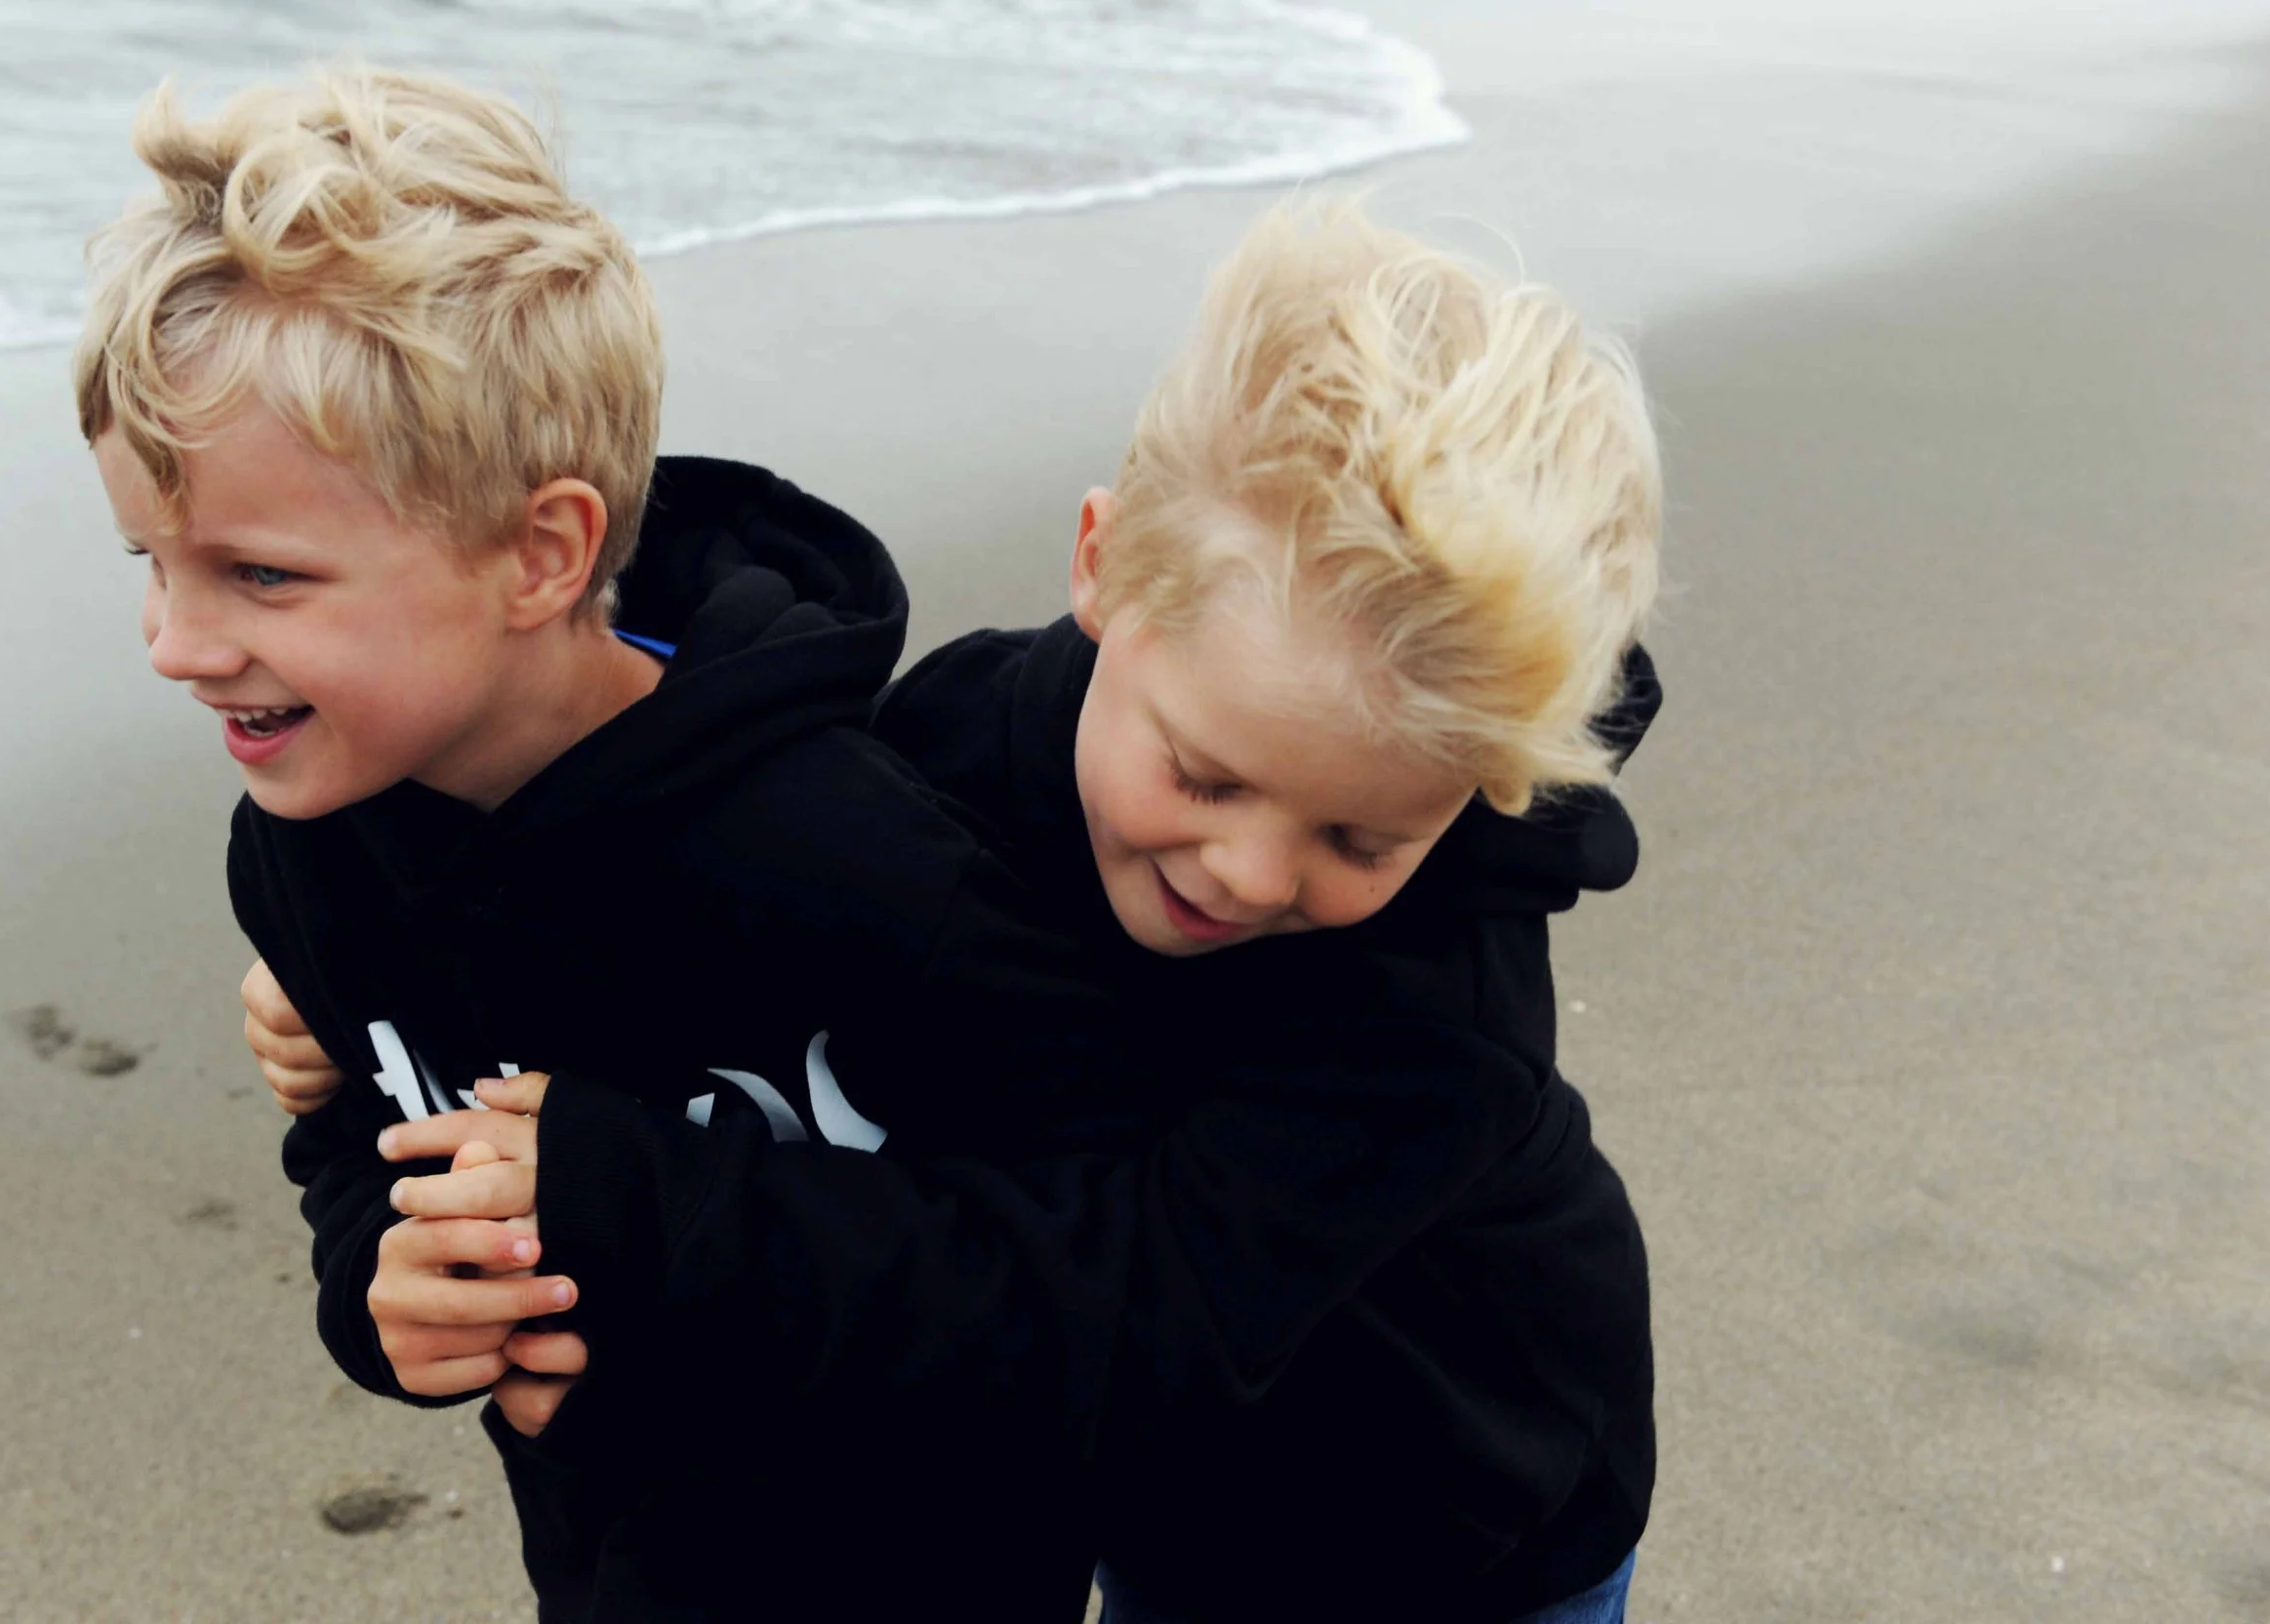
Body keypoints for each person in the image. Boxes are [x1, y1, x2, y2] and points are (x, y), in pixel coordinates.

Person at [239, 193, 1666, 1623]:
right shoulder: (963, 741)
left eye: (1361, 834)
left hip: (1441, 1529)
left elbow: (1123, 1327)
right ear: (1105, 568)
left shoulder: (1432, 1012)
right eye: (1204, 774)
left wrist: (638, 1203)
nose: (1249, 872)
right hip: (1124, 1486)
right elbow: (733, 967)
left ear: (1470, 793)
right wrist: (391, 1009)